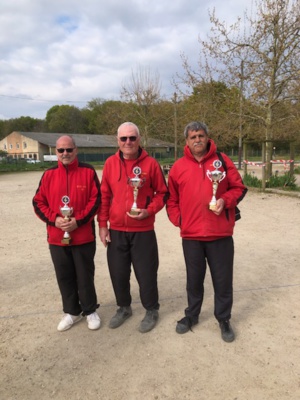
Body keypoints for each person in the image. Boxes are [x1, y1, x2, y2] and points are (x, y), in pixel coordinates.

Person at [166, 121, 247, 342]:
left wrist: (224, 200)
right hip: (191, 236)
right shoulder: (178, 167)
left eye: (200, 135)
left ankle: (223, 319)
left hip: (220, 234)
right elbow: (171, 199)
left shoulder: (222, 161)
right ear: (187, 141)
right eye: (193, 137)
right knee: (194, 280)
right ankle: (191, 315)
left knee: (222, 280)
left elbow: (239, 188)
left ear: (207, 137)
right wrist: (179, 220)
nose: (197, 140)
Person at [98, 122, 168, 333]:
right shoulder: (110, 164)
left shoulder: (151, 164)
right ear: (118, 141)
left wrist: (149, 210)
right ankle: (124, 308)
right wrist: (102, 225)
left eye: (132, 138)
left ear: (139, 139)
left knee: (146, 273)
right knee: (118, 273)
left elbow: (162, 193)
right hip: (117, 230)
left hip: (143, 230)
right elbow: (104, 196)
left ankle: (151, 310)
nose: (128, 142)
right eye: (123, 138)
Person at [33, 135, 101, 332]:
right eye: (61, 150)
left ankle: (90, 310)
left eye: (69, 150)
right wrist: (54, 220)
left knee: (84, 276)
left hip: (83, 236)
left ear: (76, 150)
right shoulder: (48, 175)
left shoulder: (88, 171)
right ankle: (71, 311)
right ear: (56, 152)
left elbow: (96, 200)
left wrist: (77, 221)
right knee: (64, 276)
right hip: (57, 237)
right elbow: (38, 202)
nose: (65, 154)